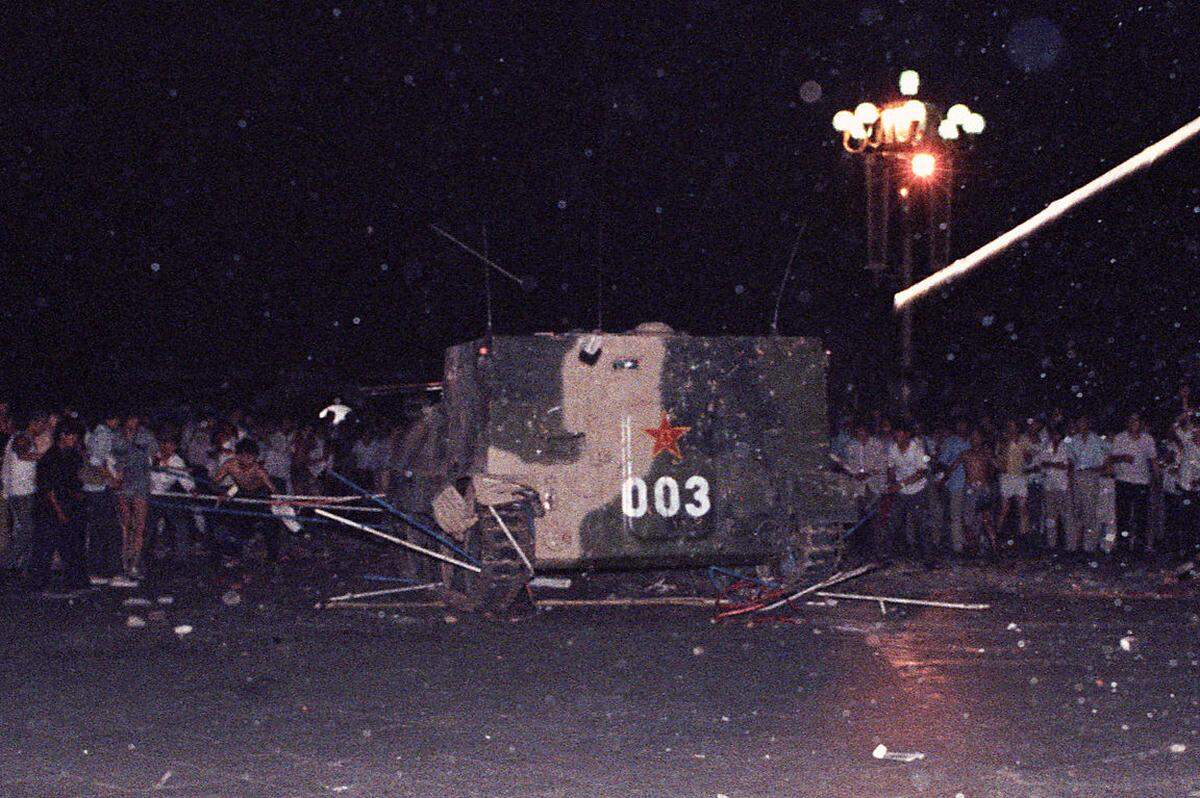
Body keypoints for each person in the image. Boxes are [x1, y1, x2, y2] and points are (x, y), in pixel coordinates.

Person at [27, 422, 88, 593]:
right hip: (50, 507)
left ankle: (76, 582)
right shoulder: (50, 458)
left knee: (72, 545)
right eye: (72, 436)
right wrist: (59, 511)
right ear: (62, 436)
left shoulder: (71, 456)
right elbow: (48, 489)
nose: (75, 440)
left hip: (68, 505)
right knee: (45, 546)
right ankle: (37, 584)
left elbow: (74, 480)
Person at [212, 439, 281, 562]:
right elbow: (214, 482)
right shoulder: (229, 465)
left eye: (251, 457)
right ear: (238, 455)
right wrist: (222, 493)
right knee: (236, 524)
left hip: (260, 495)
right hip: (241, 494)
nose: (248, 460)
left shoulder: (258, 470)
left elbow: (273, 489)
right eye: (244, 456)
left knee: (270, 526)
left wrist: (274, 500)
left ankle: (272, 556)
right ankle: (236, 554)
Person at [1, 412, 49, 581]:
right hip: (21, 492)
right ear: (34, 423)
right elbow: (22, 455)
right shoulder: (22, 437)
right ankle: (6, 563)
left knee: (28, 530)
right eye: (42, 424)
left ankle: (21, 567)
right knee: (28, 530)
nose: (43, 429)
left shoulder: (24, 438)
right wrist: (47, 457)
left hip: (25, 490)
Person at [113, 415, 157, 579]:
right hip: (123, 483)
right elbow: (112, 459)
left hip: (141, 483)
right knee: (125, 525)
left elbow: (154, 455)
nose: (133, 423)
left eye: (135, 420)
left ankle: (135, 563)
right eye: (129, 419)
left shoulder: (146, 435)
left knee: (139, 525)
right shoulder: (116, 436)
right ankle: (124, 561)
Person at [1109, 413, 1157, 554]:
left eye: (1136, 421)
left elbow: (1153, 460)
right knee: (1123, 515)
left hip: (1142, 482)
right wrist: (1123, 457)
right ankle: (1123, 546)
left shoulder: (1147, 439)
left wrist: (1156, 479)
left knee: (1141, 516)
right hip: (1123, 480)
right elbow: (1111, 458)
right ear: (1127, 422)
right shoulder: (1120, 438)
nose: (1133, 423)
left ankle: (1139, 547)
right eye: (1131, 421)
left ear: (1140, 423)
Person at [82, 412, 122, 579]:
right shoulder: (103, 434)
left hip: (93, 488)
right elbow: (96, 461)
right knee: (110, 530)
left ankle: (96, 569)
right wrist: (111, 478)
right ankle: (109, 570)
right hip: (99, 488)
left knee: (98, 529)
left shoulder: (91, 433)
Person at [885, 421, 931, 560]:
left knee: (921, 525)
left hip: (917, 491)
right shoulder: (893, 448)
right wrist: (891, 483)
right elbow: (891, 467)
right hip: (901, 492)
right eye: (896, 434)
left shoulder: (917, 449)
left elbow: (921, 472)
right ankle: (890, 555)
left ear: (907, 435)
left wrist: (900, 485)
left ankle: (928, 558)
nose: (897, 436)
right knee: (893, 523)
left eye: (900, 434)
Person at [148, 435, 196, 567]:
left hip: (166, 495)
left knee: (180, 524)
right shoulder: (152, 457)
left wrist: (192, 490)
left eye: (170, 445)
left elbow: (185, 478)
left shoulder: (177, 461)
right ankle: (143, 556)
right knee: (147, 527)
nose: (167, 448)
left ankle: (182, 558)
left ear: (175, 447)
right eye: (164, 444)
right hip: (150, 495)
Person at [1067, 416, 1109, 553]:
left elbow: (1106, 459)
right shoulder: (1073, 440)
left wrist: (1095, 470)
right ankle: (1075, 546)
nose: (1081, 424)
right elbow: (1070, 461)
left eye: (1083, 422)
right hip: (1077, 476)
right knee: (1077, 511)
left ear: (1089, 424)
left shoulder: (1097, 440)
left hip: (1091, 476)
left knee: (1090, 512)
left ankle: (1089, 547)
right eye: (1079, 422)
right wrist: (1070, 479)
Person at [1038, 424, 1076, 552]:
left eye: (1057, 433)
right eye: (1052, 433)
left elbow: (1068, 466)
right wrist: (1055, 465)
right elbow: (1042, 464)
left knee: (1066, 516)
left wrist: (1052, 465)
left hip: (1063, 485)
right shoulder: (1046, 446)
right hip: (1049, 485)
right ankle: (1051, 544)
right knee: (1050, 516)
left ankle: (1070, 546)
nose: (1055, 436)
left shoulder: (1066, 447)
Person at [995, 419, 1032, 544]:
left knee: (1023, 508)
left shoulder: (1024, 439)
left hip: (1020, 477)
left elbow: (1028, 459)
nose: (1011, 428)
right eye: (1009, 426)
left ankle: (1024, 537)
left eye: (1013, 425)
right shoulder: (1002, 440)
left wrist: (1023, 450)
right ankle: (997, 536)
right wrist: (1006, 443)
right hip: (1006, 477)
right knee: (1004, 508)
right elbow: (999, 458)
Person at [960, 429, 997, 553]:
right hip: (970, 489)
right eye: (972, 437)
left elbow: (998, 466)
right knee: (969, 520)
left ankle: (994, 547)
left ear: (981, 439)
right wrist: (942, 480)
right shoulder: (965, 454)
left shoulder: (986, 453)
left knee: (986, 518)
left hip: (984, 489)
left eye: (977, 437)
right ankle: (973, 547)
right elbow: (952, 467)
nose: (974, 440)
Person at [939, 420, 972, 554]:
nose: (962, 426)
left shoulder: (973, 440)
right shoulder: (950, 442)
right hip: (956, 483)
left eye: (964, 424)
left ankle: (970, 542)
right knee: (956, 515)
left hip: (972, 483)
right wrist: (944, 477)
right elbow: (942, 462)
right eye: (960, 424)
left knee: (970, 514)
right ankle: (958, 546)